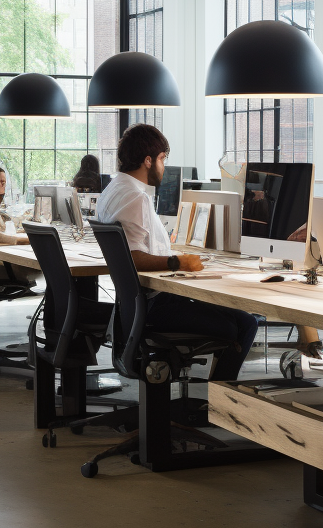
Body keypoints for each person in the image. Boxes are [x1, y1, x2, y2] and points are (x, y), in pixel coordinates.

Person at [96, 124, 258, 380]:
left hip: (134, 306)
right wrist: (177, 262)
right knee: (241, 325)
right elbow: (134, 258)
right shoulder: (135, 198)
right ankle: (218, 406)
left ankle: (214, 402)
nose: (164, 166)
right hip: (154, 306)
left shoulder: (112, 191)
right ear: (148, 160)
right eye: (162, 159)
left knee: (242, 320)